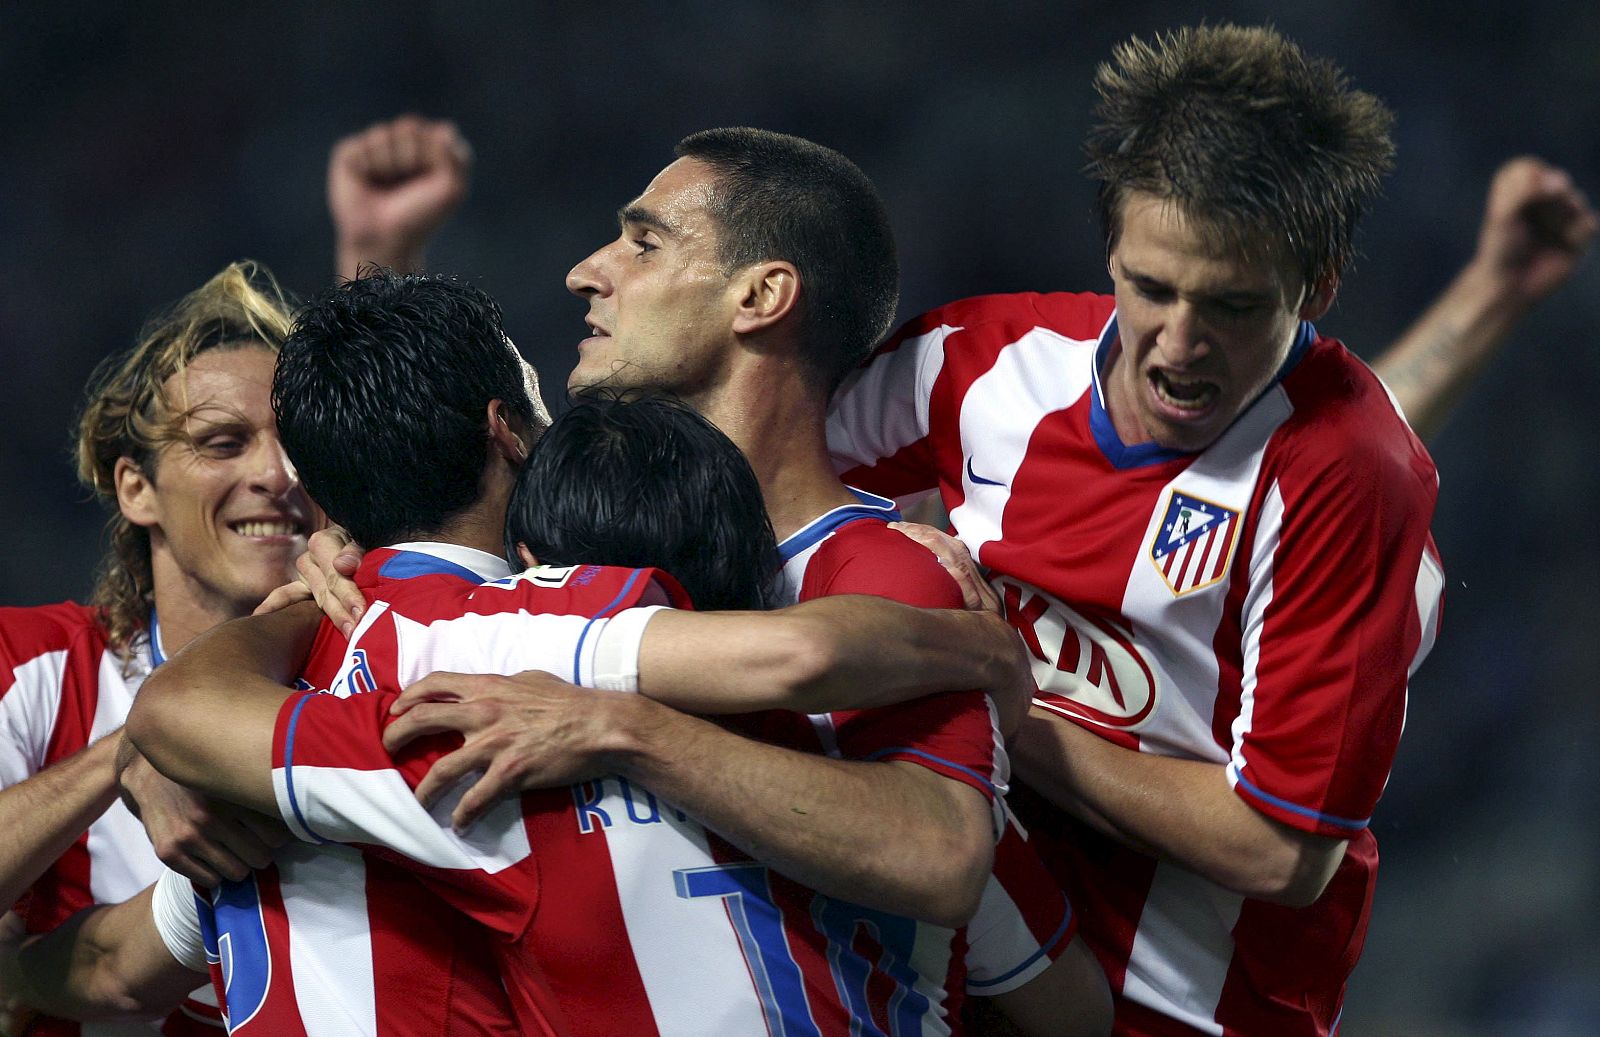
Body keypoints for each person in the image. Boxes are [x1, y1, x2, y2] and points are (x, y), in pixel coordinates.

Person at [20, 272, 1035, 1034]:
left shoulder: (270, 751)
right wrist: (975, 642)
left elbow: (115, 953)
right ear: (508, 431)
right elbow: (800, 659)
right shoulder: (523, 647)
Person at [820, 24, 1449, 1036]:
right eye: (1150, 287)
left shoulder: (1345, 471)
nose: (1179, 343)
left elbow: (1280, 852)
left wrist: (993, 710)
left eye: (1234, 306)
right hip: (949, 935)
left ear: (1316, 287)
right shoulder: (982, 361)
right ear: (1109, 249)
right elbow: (766, 490)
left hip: (1177, 1000)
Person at [0, 262, 312, 1035]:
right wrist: (135, 745)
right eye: (223, 442)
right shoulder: (37, 664)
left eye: (299, 442)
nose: (275, 475)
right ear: (136, 487)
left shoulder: (379, 657)